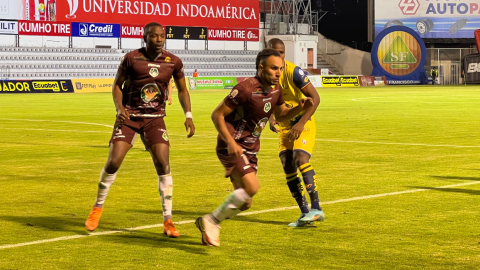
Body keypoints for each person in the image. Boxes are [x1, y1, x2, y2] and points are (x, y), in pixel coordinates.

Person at [85, 22, 196, 238]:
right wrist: (119, 108)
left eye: (162, 36)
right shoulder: (132, 58)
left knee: (163, 163)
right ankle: (97, 207)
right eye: (154, 36)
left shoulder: (173, 62)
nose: (159, 39)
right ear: (145, 37)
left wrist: (188, 115)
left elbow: (183, 90)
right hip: (129, 117)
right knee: (114, 161)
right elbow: (117, 85)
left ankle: (168, 221)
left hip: (155, 120)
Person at [195, 49, 314, 247]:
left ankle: (208, 223)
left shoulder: (276, 90)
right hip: (232, 145)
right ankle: (211, 221)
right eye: (274, 68)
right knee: (252, 187)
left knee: (246, 202)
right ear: (261, 68)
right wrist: (231, 142)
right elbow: (217, 115)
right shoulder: (245, 89)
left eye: (281, 68)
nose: (278, 72)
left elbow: (281, 114)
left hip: (251, 148)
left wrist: (299, 107)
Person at [267, 38, 324, 227]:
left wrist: (300, 122)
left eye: (282, 53)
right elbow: (266, 100)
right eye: (275, 53)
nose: (279, 57)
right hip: (285, 124)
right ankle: (304, 213)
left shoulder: (294, 72)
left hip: (303, 120)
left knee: (301, 157)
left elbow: (315, 98)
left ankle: (316, 208)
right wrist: (270, 118)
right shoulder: (265, 75)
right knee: (287, 164)